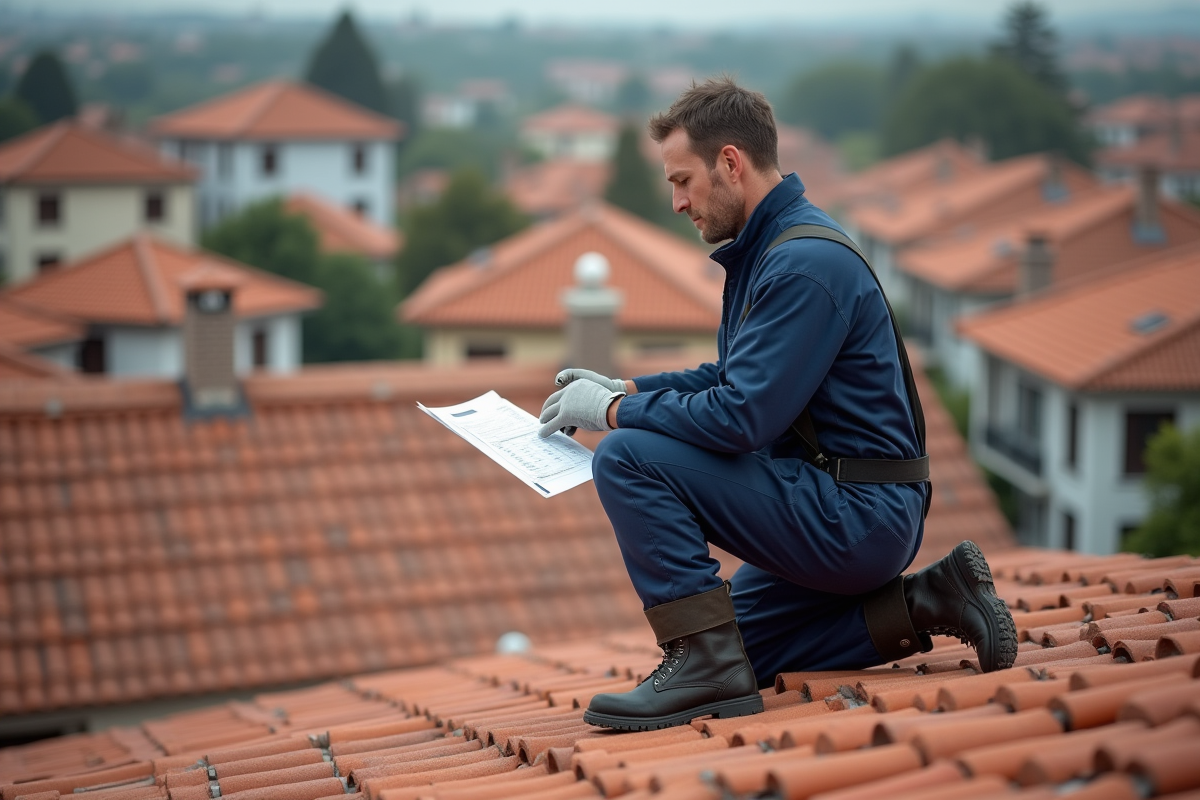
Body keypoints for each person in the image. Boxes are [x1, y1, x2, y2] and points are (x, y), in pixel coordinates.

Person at [537, 76, 1017, 732]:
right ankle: (933, 600)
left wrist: (612, 415)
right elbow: (729, 375)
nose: (677, 202)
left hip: (856, 514)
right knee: (745, 653)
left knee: (628, 457)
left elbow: (741, 417)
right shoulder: (772, 248)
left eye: (683, 181)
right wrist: (628, 389)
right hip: (846, 507)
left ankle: (701, 663)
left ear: (729, 162)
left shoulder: (801, 267)